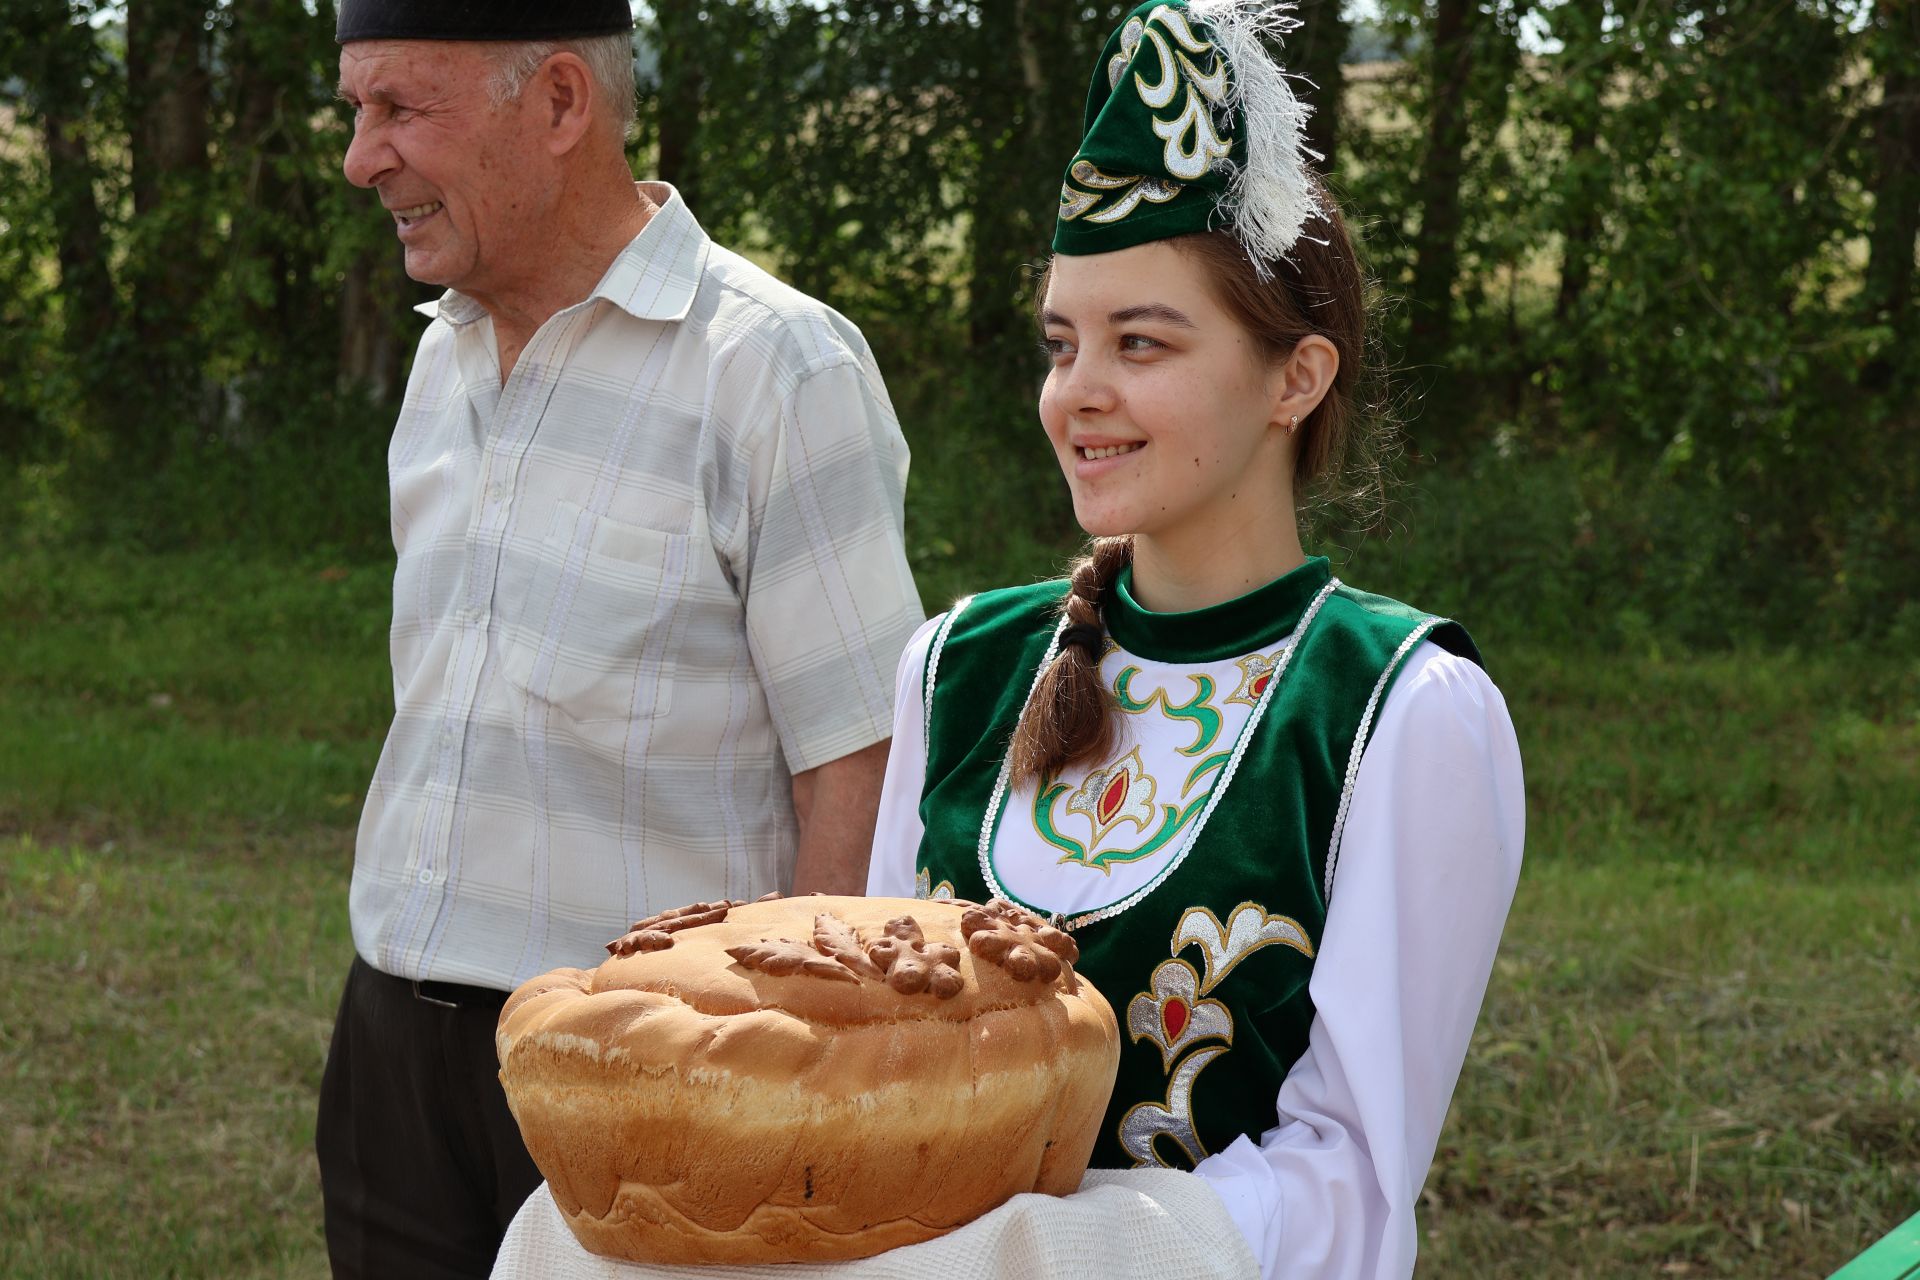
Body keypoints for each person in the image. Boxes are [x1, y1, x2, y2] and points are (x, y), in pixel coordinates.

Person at [488, 1, 1520, 1277]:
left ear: (1295, 379)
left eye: (1141, 342)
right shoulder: (963, 660)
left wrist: (1050, 1250)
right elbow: (859, 1062)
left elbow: (1355, 1182)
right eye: (1061, 342)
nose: (1076, 391)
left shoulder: (1396, 708)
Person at [318, 2, 925, 1277]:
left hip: (654, 1075)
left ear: (554, 105)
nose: (361, 158)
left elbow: (857, 770)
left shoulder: (776, 369)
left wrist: (788, 1088)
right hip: (390, 1050)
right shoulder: (442, 362)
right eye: (354, 111)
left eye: (397, 109)